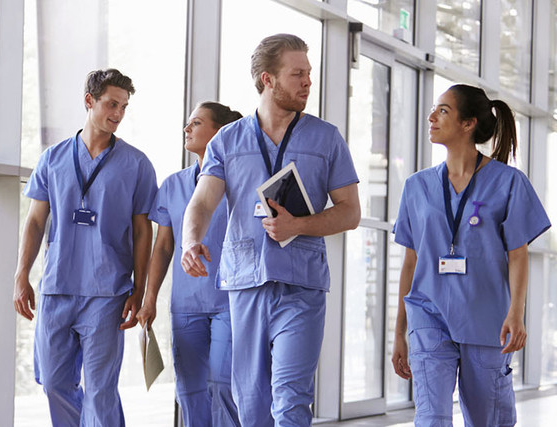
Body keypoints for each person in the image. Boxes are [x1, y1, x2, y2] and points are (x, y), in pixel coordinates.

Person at [180, 34, 361, 426]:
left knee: (292, 399)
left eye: (309, 74)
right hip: (246, 284)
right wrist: (191, 239)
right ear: (268, 79)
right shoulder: (227, 140)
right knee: (251, 403)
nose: (307, 82)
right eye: (297, 74)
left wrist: (299, 225)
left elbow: (350, 213)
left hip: (302, 285)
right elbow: (203, 201)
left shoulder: (326, 138)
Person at [391, 84, 551, 426]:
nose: (432, 117)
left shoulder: (508, 183)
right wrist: (399, 332)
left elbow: (518, 255)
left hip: (487, 319)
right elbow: (411, 261)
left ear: (468, 124)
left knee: (487, 420)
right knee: (431, 418)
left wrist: (516, 314)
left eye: (443, 110)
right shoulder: (416, 187)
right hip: (428, 315)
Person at [13, 68, 157, 426]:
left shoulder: (136, 164)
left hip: (106, 294)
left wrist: (140, 289)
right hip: (57, 288)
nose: (118, 114)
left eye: (124, 107)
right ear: (89, 101)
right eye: (111, 104)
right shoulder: (53, 159)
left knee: (100, 390)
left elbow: (143, 231)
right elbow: (34, 222)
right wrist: (21, 274)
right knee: (54, 383)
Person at [136, 102, 242, 427]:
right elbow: (163, 246)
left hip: (231, 302)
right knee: (190, 392)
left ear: (220, 132)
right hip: (185, 306)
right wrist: (149, 298)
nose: (187, 129)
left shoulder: (241, 182)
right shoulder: (172, 185)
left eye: (196, 123)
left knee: (223, 385)